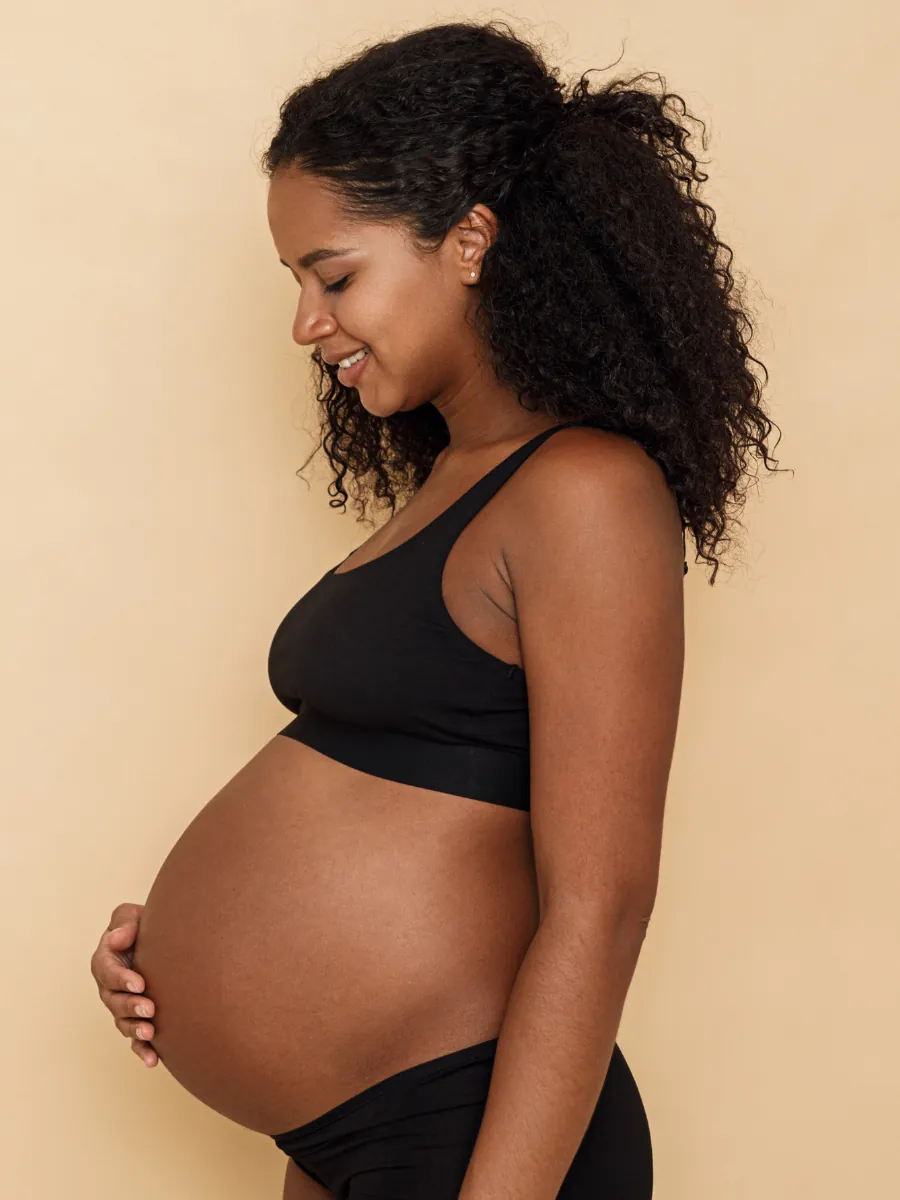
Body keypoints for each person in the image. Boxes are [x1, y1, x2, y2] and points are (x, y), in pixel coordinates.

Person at [89, 19, 781, 1200]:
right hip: (365, 1134)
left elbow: (600, 904)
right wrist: (184, 954)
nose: (309, 323)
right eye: (297, 283)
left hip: (478, 1138)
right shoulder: (455, 480)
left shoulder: (585, 491)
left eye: (335, 274)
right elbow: (407, 816)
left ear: (469, 240)